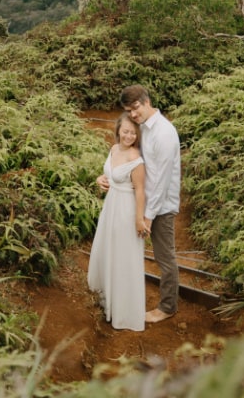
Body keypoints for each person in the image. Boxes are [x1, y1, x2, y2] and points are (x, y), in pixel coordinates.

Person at [120, 84, 180, 323]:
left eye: (135, 108)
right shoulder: (142, 128)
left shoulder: (164, 133)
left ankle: (167, 307)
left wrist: (148, 216)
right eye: (129, 110)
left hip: (161, 207)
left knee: (165, 258)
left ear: (146, 101)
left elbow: (162, 182)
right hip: (144, 201)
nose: (133, 114)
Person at [87, 114, 150, 331]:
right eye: (125, 131)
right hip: (110, 206)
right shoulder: (114, 149)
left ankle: (124, 310)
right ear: (118, 130)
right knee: (110, 249)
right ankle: (107, 298)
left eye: (133, 133)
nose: (129, 136)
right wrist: (100, 179)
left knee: (124, 256)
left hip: (126, 209)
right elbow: (111, 175)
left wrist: (139, 219)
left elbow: (141, 191)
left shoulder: (136, 158)